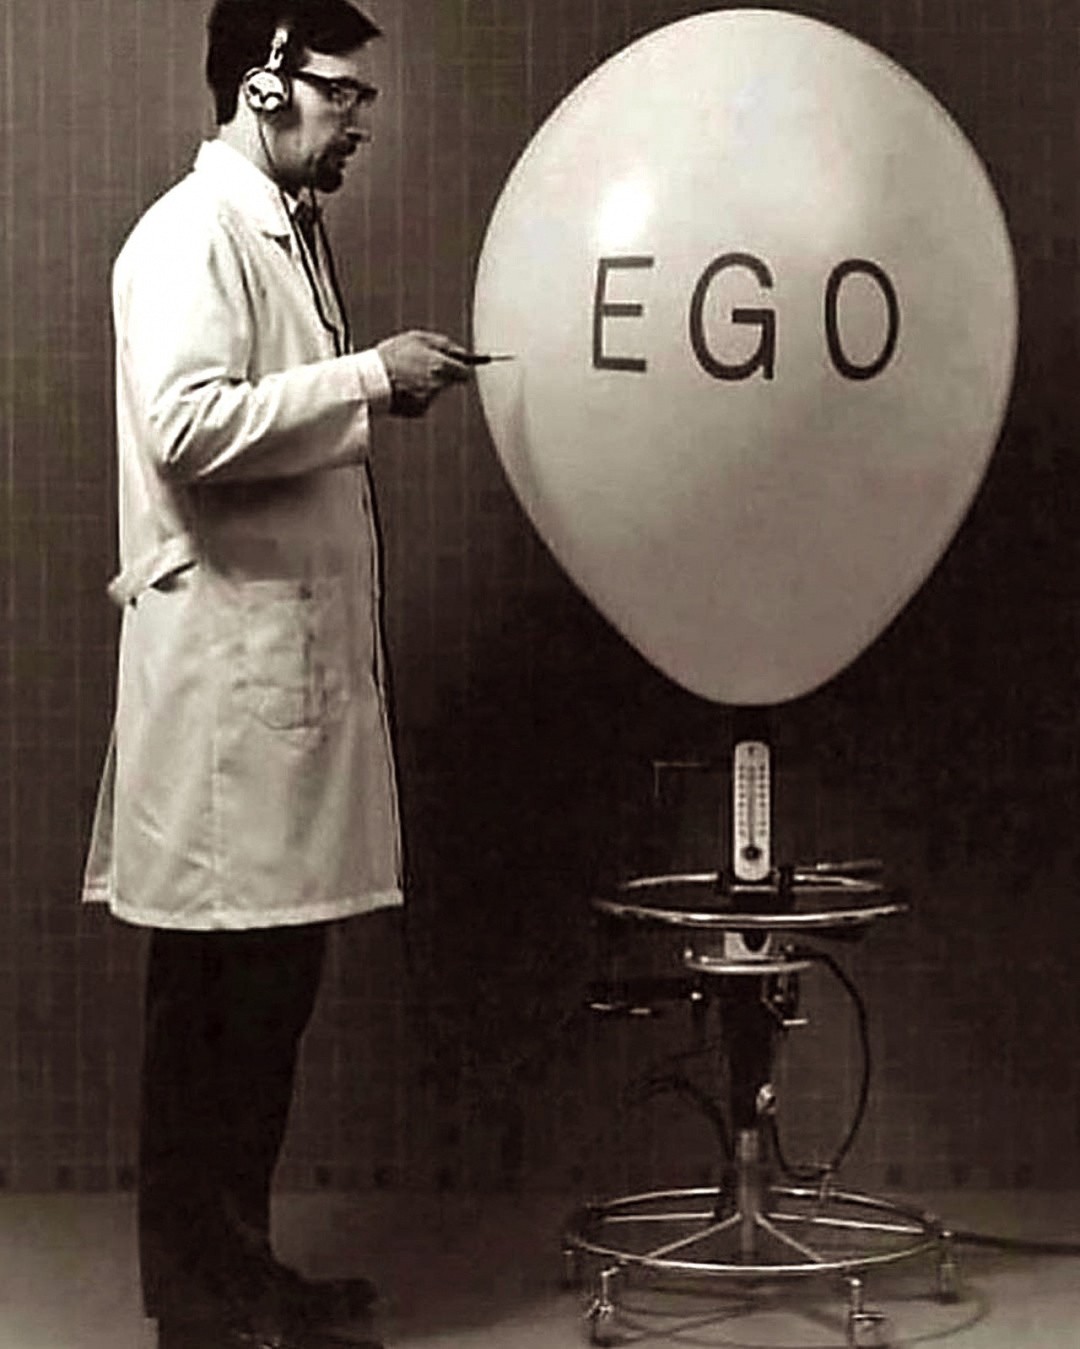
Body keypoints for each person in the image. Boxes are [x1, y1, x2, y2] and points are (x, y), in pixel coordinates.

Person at [81, 2, 474, 1346]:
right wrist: (368, 378)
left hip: (273, 692)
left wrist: (365, 387)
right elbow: (189, 431)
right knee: (214, 1019)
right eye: (339, 94)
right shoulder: (190, 235)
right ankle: (202, 1310)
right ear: (264, 86)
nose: (357, 122)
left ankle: (241, 1281)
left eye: (362, 99)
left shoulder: (279, 231)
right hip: (226, 698)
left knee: (262, 1013)